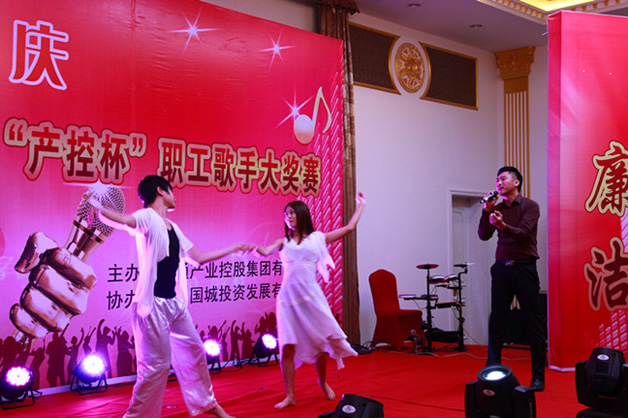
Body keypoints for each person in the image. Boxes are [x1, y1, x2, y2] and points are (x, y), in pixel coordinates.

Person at [92, 175, 251, 417]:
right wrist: (96, 206)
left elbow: (198, 258)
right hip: (151, 305)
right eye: (171, 191)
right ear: (161, 190)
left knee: (194, 351)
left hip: (174, 304)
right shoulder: (147, 217)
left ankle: (207, 404)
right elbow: (124, 221)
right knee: (156, 367)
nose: (175, 196)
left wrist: (234, 248)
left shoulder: (174, 228)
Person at [256, 193, 366, 409]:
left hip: (311, 297)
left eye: (292, 212)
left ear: (302, 214)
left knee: (319, 343)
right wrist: (247, 248)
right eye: (286, 214)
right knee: (287, 346)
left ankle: (322, 382)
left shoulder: (318, 238)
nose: (288, 217)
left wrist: (361, 205)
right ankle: (290, 396)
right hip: (288, 299)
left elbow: (349, 228)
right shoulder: (283, 242)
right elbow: (265, 251)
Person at [478, 166, 546, 392]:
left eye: (503, 179)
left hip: (524, 268)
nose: (499, 183)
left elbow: (524, 233)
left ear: (516, 182)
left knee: (533, 322)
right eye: (497, 179)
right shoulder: (496, 208)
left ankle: (538, 378)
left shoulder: (530, 206)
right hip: (501, 269)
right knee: (497, 321)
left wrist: (503, 226)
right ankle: (491, 372)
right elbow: (484, 235)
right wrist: (487, 211)